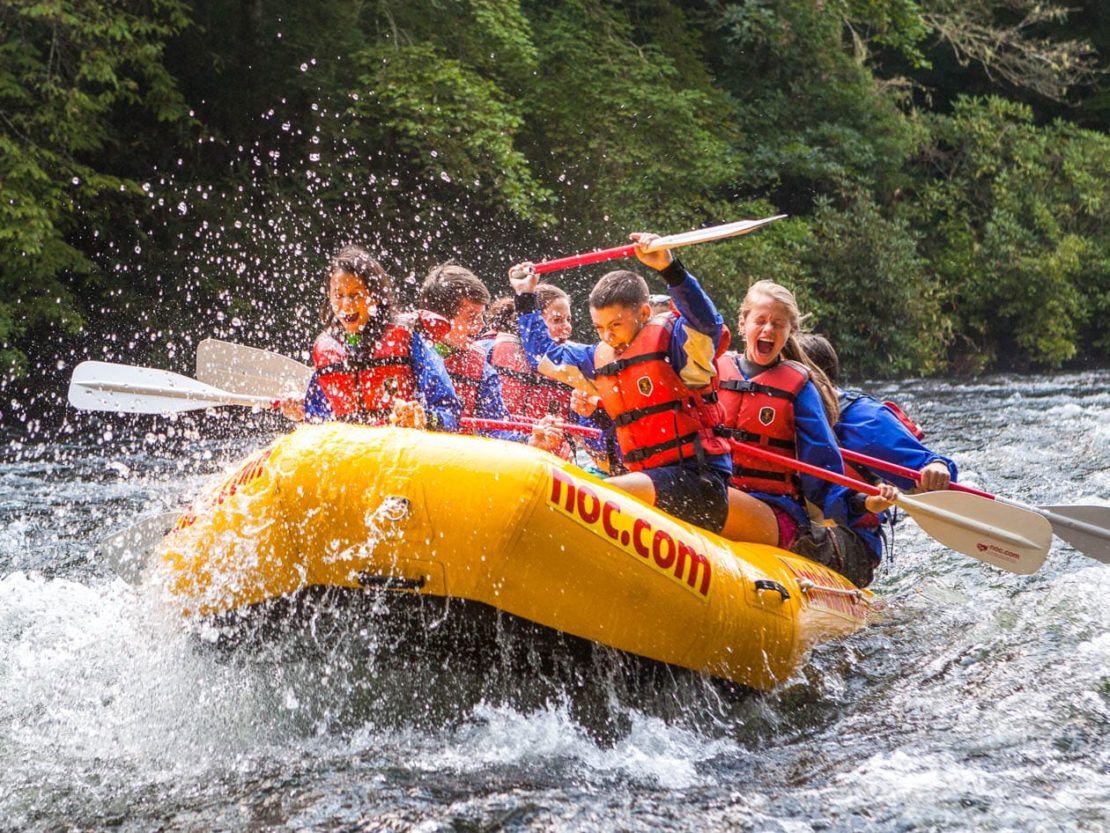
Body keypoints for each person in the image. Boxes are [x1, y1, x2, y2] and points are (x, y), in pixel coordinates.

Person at [509, 233, 732, 533]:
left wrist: (669, 268)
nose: (607, 336)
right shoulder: (600, 359)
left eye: (615, 325)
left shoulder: (677, 346)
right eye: (599, 327)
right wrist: (525, 297)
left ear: (643, 313)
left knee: (594, 496)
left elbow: (706, 324)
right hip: (648, 479)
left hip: (697, 482)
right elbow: (544, 357)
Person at [714, 280, 895, 588]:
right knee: (690, 487)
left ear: (790, 333)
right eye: (760, 320)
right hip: (719, 488)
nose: (768, 330)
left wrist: (861, 502)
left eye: (778, 324)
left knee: (700, 496)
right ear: (743, 324)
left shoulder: (799, 388)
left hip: (772, 511)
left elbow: (823, 469)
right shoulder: (714, 370)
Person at [282, 246, 462, 430]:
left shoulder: (407, 340)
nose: (346, 305)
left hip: (400, 447)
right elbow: (318, 419)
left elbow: (450, 413)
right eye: (338, 295)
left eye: (355, 295)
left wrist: (424, 418)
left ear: (374, 297)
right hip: (350, 450)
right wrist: (301, 412)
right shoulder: (327, 349)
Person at [420, 262, 564, 452]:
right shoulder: (407, 351)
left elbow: (495, 430)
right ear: (437, 317)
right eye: (471, 318)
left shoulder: (481, 369)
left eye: (481, 317)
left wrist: (529, 442)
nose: (479, 327)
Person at [796, 333, 957, 492]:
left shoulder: (866, 423)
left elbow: (931, 468)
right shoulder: (778, 411)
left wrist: (937, 466)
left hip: (867, 509)